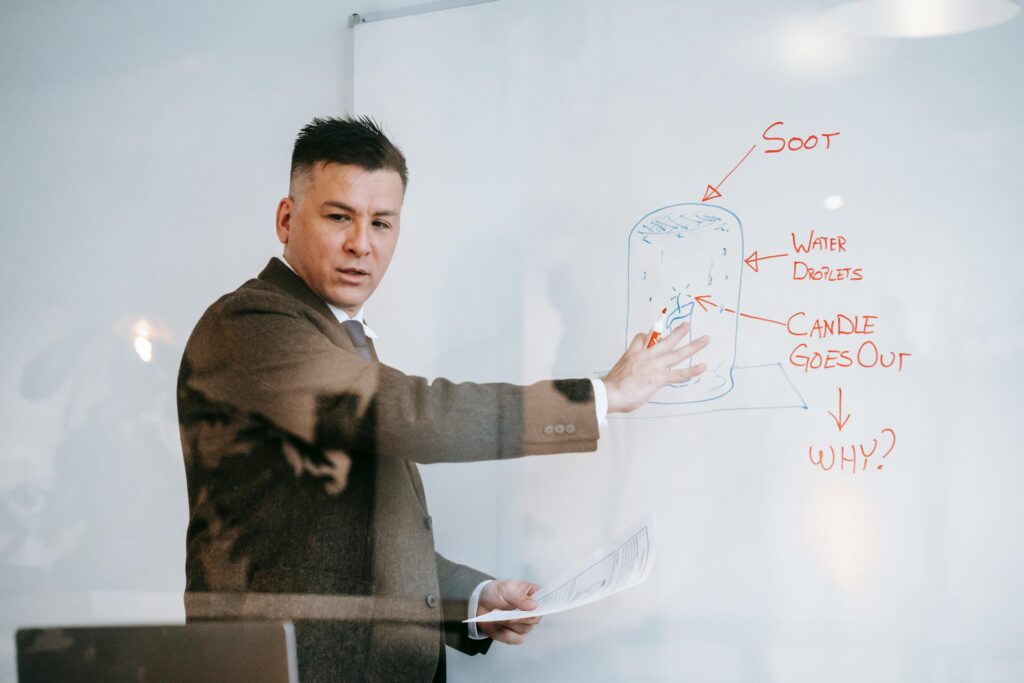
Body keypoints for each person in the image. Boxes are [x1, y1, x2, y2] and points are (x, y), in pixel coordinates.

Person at [177, 116, 709, 682]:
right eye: (339, 217)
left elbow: (355, 544)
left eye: (382, 223)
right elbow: (411, 413)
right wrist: (601, 396)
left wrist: (471, 599)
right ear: (287, 219)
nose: (362, 244)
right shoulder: (252, 325)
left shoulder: (336, 338)